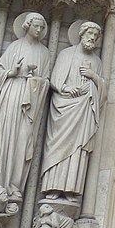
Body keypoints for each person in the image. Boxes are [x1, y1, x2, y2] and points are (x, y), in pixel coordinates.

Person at [0, 13, 52, 207]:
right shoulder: (14, 47)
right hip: (11, 96)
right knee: (3, 139)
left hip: (30, 103)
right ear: (27, 26)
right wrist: (12, 73)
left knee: (23, 141)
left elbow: (47, 81)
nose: (39, 30)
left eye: (42, 27)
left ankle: (14, 185)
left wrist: (34, 79)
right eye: (36, 26)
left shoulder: (45, 53)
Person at [40, 22, 104, 199]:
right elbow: (55, 79)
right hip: (64, 107)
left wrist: (94, 77)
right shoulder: (66, 54)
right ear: (81, 34)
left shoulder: (97, 61)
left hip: (84, 110)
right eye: (89, 33)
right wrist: (66, 88)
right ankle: (52, 187)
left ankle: (71, 189)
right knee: (59, 146)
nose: (92, 38)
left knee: (79, 148)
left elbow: (103, 90)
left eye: (95, 36)